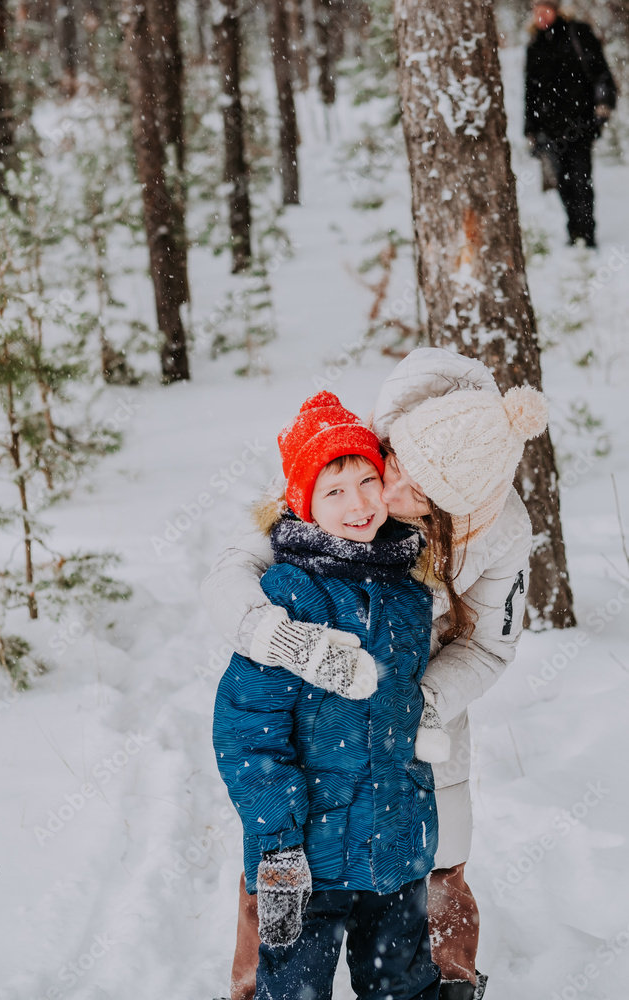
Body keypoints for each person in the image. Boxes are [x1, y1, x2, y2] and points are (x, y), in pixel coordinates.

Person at [202, 348, 549, 1000]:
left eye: (415, 494)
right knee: (284, 881)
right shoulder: (353, 467)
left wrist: (414, 706)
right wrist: (278, 638)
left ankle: (444, 983)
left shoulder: (501, 530)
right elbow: (236, 570)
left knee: (432, 874)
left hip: (424, 723)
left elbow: (490, 648)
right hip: (317, 720)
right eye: (396, 468)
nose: (384, 496)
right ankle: (256, 986)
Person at [213, 390, 442, 1000]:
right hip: (303, 859)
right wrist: (278, 846)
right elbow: (246, 728)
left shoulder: (411, 598)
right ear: (304, 504)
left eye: (367, 481)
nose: (358, 503)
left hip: (395, 847)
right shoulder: (292, 595)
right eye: (333, 491)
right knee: (292, 989)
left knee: (403, 985)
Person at [524, 0, 617, 248]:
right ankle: (573, 232)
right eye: (536, 11)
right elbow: (530, 92)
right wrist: (530, 129)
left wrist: (603, 106)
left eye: (544, 10)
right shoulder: (535, 45)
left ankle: (587, 235)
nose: (540, 15)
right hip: (550, 128)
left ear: (556, 10)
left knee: (580, 180)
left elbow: (601, 72)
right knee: (564, 184)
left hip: (580, 124)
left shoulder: (578, 33)